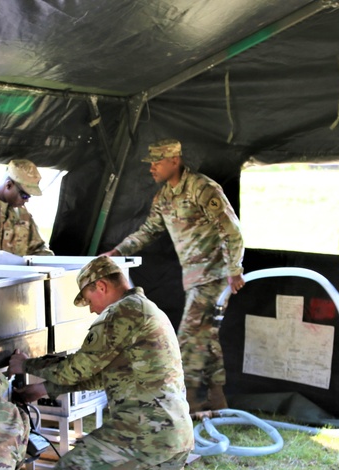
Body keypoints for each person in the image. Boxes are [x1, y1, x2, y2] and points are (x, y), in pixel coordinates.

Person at [7, 256, 251, 470]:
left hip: (144, 431)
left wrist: (25, 365)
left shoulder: (120, 313)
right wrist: (41, 390)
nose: (93, 309)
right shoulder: (145, 311)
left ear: (101, 285)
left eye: (90, 300)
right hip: (173, 433)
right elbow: (101, 375)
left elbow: (77, 368)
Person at [102, 139, 245, 413]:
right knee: (206, 337)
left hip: (214, 277)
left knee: (188, 338)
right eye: (151, 163)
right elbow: (148, 231)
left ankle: (187, 402)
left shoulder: (202, 188)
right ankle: (217, 399)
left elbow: (232, 230)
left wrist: (234, 270)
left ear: (175, 161)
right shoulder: (165, 197)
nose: (152, 168)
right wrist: (118, 251)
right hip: (194, 279)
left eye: (157, 162)